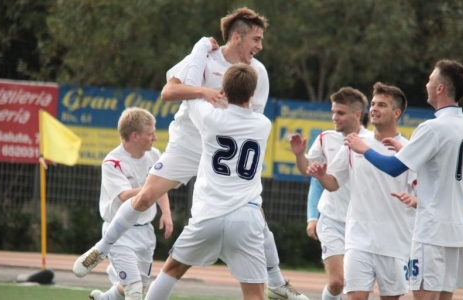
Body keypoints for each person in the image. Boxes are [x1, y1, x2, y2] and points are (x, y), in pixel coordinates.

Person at [73, 7, 307, 300]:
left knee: (256, 212)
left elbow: (248, 116)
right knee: (145, 196)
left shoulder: (259, 72)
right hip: (189, 142)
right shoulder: (205, 57)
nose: (260, 46)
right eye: (256, 39)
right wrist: (202, 90)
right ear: (237, 37)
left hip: (220, 144)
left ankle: (277, 280)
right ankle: (103, 247)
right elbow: (168, 93)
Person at [345, 60, 463, 300]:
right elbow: (441, 166)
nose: (427, 83)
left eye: (430, 79)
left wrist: (363, 148)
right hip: (459, 229)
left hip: (432, 229)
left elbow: (393, 167)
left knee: (424, 296)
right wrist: (406, 150)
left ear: (440, 88)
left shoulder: (433, 127)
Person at [143, 63, 271, 300]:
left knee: (172, 270)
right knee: (255, 294)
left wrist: (201, 61)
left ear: (223, 89)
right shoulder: (263, 125)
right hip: (245, 217)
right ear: (253, 93)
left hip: (208, 215)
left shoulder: (210, 118)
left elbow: (185, 89)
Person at [308, 82, 416, 300]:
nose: (374, 109)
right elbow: (334, 183)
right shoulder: (353, 143)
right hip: (358, 240)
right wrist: (321, 175)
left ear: (397, 113)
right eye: (374, 104)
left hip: (394, 243)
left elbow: (422, 190)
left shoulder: (408, 149)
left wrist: (414, 199)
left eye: (382, 105)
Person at [289, 87, 369, 300]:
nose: (335, 117)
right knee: (336, 283)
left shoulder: (371, 141)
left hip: (362, 225)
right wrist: (299, 156)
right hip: (332, 219)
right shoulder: (325, 138)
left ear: (357, 115)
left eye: (340, 113)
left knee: (353, 288)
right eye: (333, 112)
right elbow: (309, 170)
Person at [89, 108, 173, 300]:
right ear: (135, 136)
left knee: (138, 286)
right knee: (134, 290)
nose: (155, 138)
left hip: (145, 232)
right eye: (150, 134)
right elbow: (126, 195)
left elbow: (160, 188)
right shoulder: (112, 162)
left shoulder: (154, 155)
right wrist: (153, 185)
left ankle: (104, 299)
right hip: (119, 232)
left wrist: (166, 212)